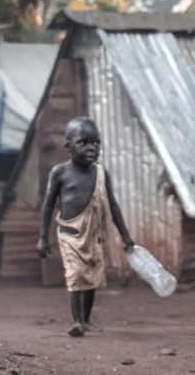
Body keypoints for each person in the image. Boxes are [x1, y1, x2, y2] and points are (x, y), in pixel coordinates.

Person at [37, 117, 135, 337]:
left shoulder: (101, 173)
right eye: (84, 142)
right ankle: (77, 321)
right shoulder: (60, 173)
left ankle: (87, 319)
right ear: (68, 146)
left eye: (96, 143)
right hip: (70, 235)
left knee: (92, 277)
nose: (92, 148)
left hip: (94, 236)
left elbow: (113, 206)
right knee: (76, 275)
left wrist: (125, 236)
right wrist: (43, 236)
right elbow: (48, 205)